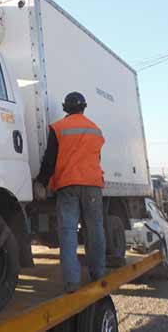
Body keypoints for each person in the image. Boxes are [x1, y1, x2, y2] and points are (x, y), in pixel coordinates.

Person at [34, 91, 106, 293]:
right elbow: (96, 159)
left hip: (68, 186)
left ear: (65, 108)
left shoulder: (58, 128)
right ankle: (98, 274)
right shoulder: (95, 129)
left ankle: (72, 282)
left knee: (67, 232)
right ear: (84, 107)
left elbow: (50, 160)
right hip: (92, 185)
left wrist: (41, 182)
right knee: (95, 229)